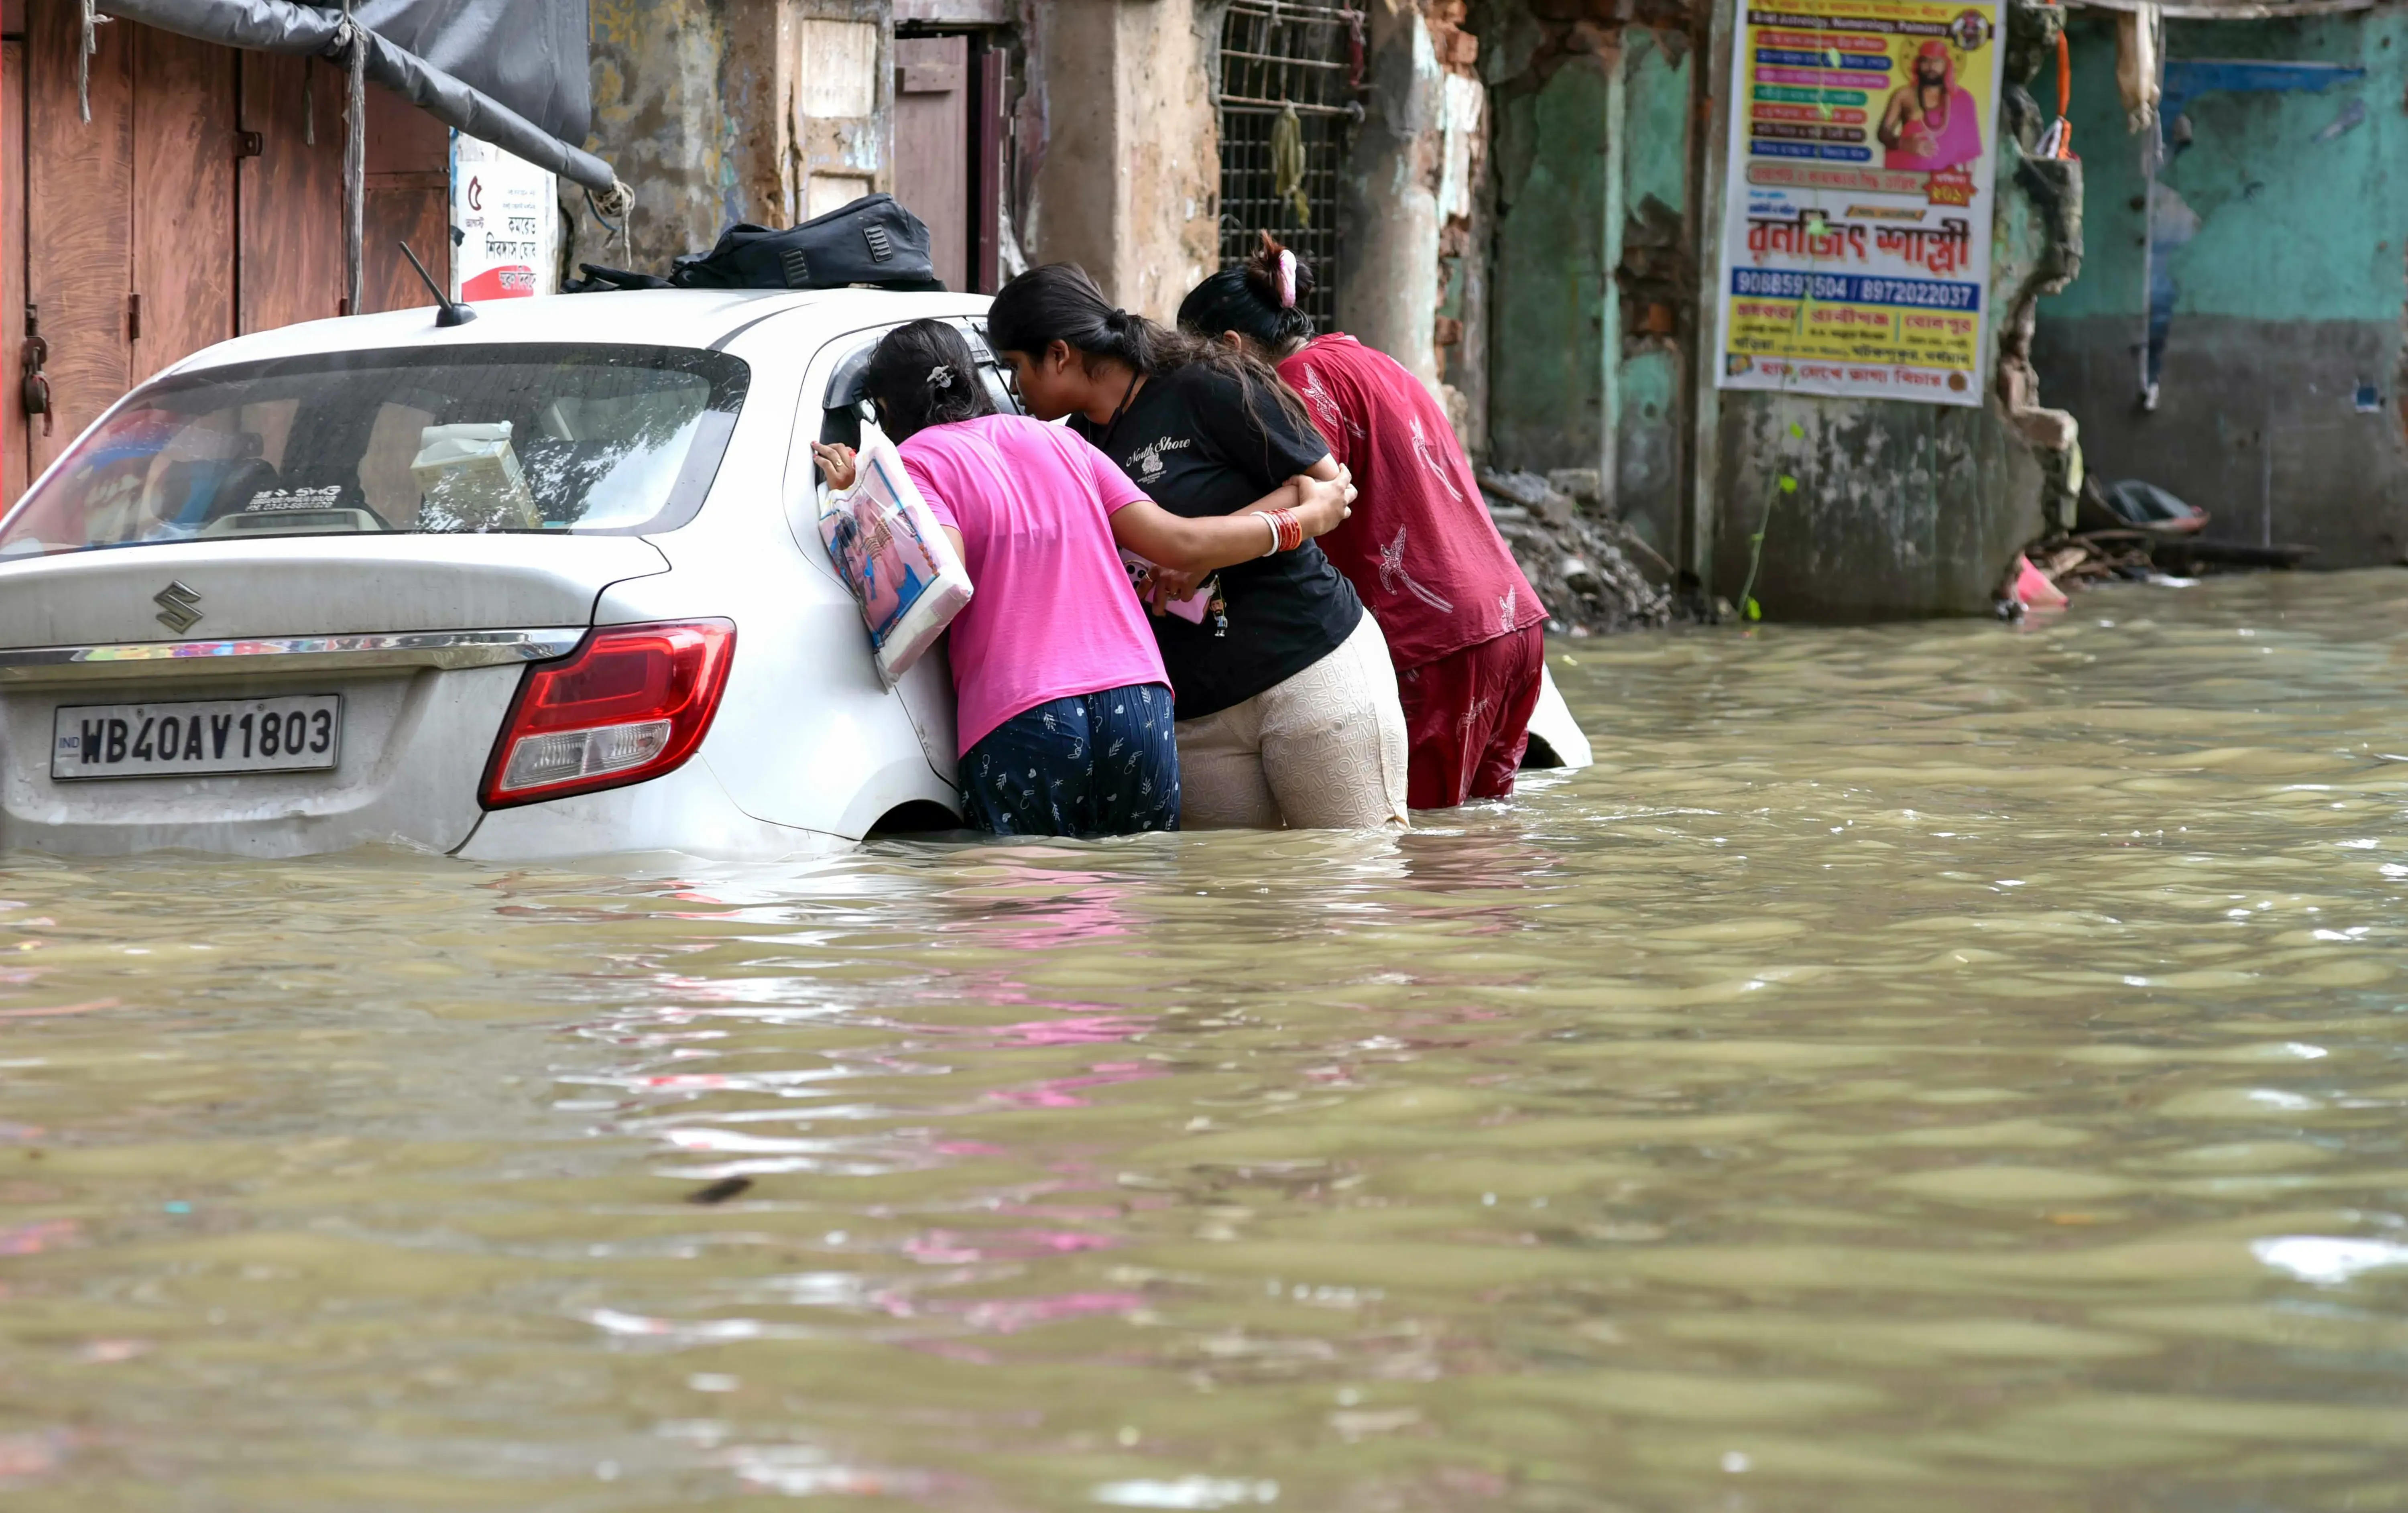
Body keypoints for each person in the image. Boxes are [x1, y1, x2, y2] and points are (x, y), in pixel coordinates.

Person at [810, 319, 1354, 838]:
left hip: (1026, 713)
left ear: (886, 407)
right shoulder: (1066, 443)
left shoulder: (916, 461)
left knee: (1029, 915)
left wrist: (861, 497)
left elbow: (940, 579)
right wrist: (1296, 523)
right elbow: (1176, 541)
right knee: (1139, 903)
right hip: (1138, 703)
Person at [986, 264, 1411, 831]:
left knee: (1350, 887)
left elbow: (1327, 486)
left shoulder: (1203, 382)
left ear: (1059, 354)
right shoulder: (1075, 444)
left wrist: (1204, 552)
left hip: (1309, 666)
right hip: (1194, 711)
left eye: (1016, 367)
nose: (1015, 388)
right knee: (1223, 907)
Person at [1177, 236, 1548, 811]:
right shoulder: (1370, 358)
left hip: (1435, 643)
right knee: (1476, 840)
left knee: (1416, 860)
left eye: (1199, 366)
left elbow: (1311, 490)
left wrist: (1193, 550)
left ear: (1232, 347)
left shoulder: (1298, 380)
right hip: (1509, 622)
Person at [1877, 40, 1983, 173]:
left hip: (1943, 184)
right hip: (1905, 177)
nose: (1931, 67)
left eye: (1937, 62)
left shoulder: (1964, 100)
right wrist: (1905, 144)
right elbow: (1883, 133)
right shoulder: (1904, 95)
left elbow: (1969, 153)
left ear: (1947, 66)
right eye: (1926, 61)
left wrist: (1967, 186)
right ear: (1918, 65)